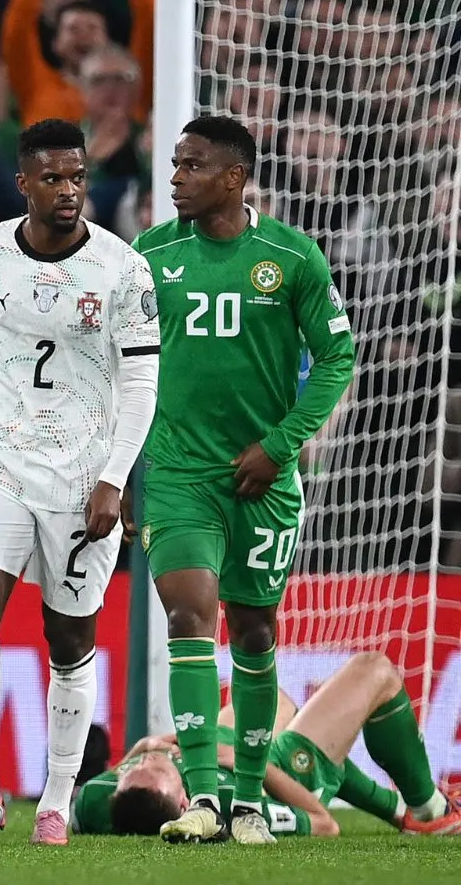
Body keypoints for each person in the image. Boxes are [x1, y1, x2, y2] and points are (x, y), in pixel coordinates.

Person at [0, 119, 160, 847]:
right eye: (53, 178)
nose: (69, 191)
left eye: (78, 177)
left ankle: (56, 797)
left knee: (68, 636)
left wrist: (114, 480)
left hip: (81, 473)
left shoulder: (122, 268)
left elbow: (144, 378)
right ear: (24, 183)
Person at [134, 115, 358, 845]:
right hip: (178, 474)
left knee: (255, 629)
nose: (176, 179)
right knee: (188, 616)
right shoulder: (149, 256)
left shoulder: (289, 257)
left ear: (233, 178)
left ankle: (251, 800)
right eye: (174, 165)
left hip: (263, 480)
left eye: (191, 167)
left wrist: (282, 445)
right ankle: (201, 798)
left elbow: (335, 359)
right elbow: (113, 364)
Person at [76, 652, 461, 838]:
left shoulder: (97, 800)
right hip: (283, 769)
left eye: (134, 766)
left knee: (270, 700)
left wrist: (144, 749)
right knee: (375, 670)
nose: (157, 757)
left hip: (227, 745)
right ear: (183, 804)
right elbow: (325, 825)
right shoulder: (230, 805)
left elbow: (98, 797)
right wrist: (242, 761)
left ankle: (395, 810)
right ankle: (429, 808)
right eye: (162, 767)